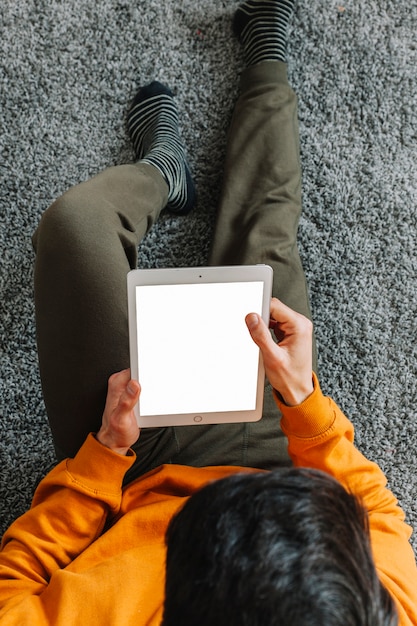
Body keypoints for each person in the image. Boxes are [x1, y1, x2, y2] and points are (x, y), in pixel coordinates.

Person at [0, 1, 416, 624]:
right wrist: (304, 404)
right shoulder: (381, 610)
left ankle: (163, 172)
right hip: (287, 453)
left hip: (140, 463)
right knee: (266, 239)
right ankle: (268, 63)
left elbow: (16, 581)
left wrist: (104, 454)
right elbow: (378, 514)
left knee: (75, 228)